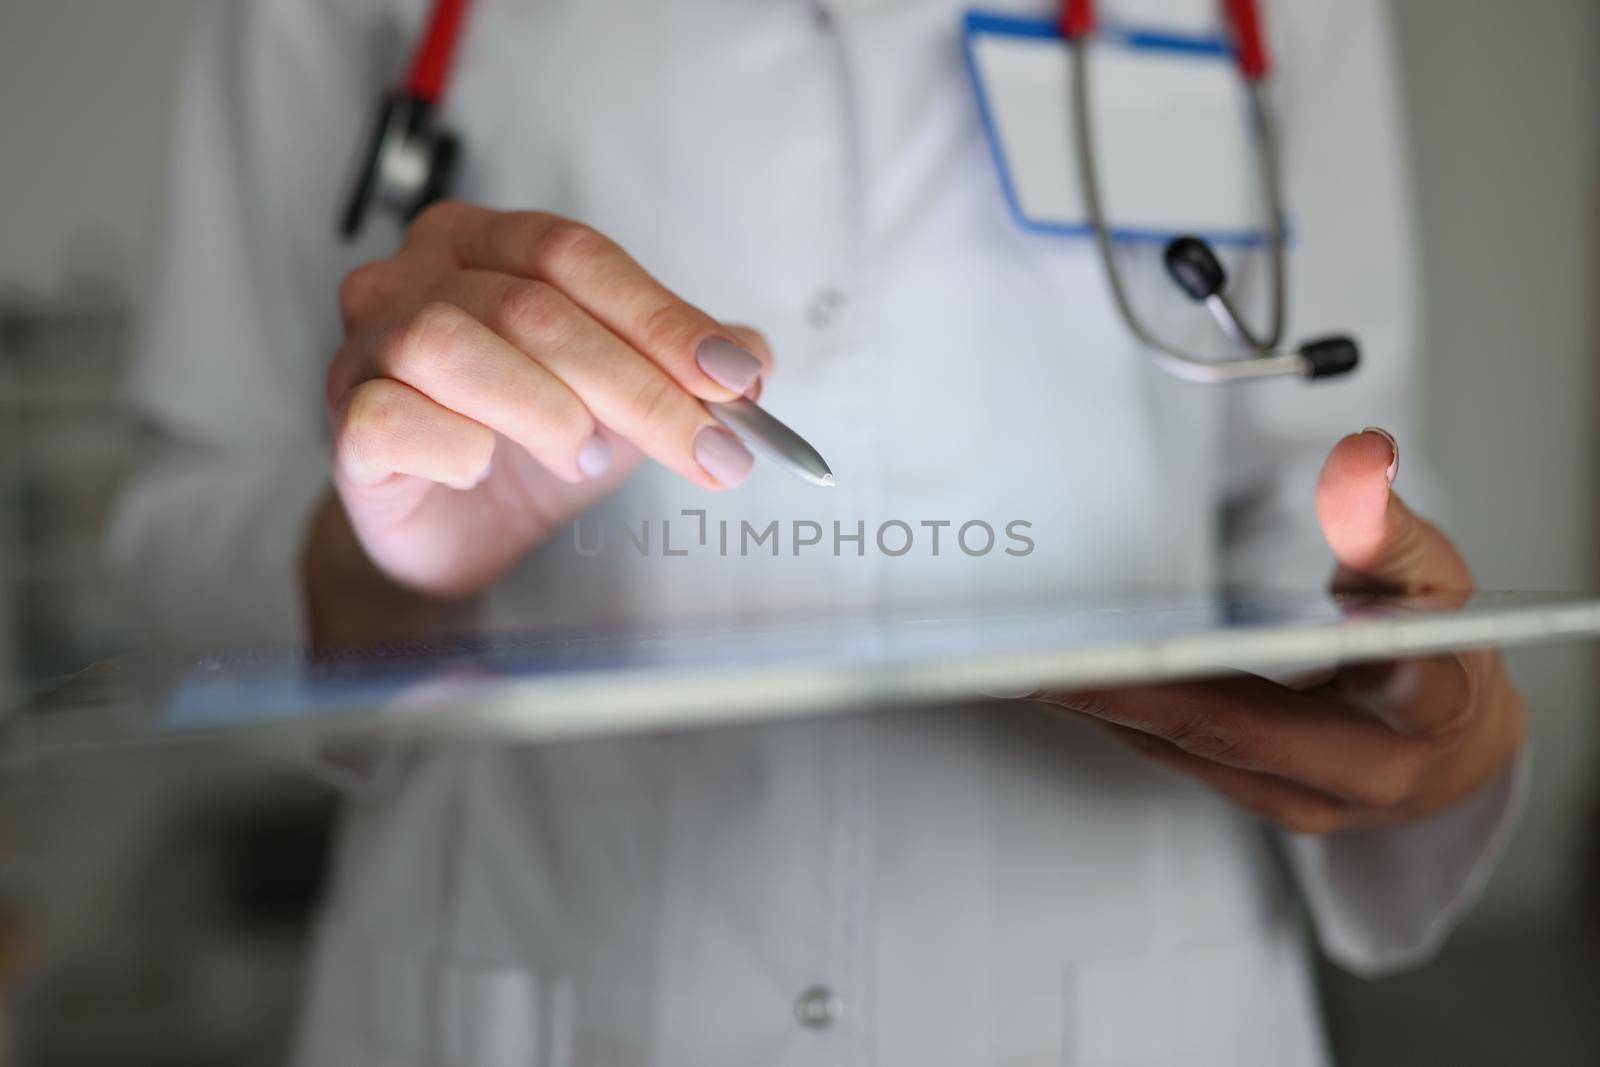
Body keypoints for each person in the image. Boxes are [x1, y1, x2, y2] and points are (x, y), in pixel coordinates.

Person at [111, 0, 1528, 1062]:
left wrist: (1415, 687)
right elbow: (170, 541)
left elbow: (1335, 498)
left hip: (1136, 994)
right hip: (533, 982)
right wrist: (371, 565)